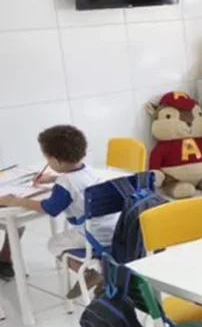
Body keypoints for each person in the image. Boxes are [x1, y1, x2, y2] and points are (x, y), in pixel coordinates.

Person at [0, 126, 117, 298]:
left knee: (54, 244)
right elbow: (76, 180)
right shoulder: (88, 170)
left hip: (93, 236)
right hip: (113, 229)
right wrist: (53, 178)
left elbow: (49, 208)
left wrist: (15, 200)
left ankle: (88, 274)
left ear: (55, 161)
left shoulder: (65, 183)